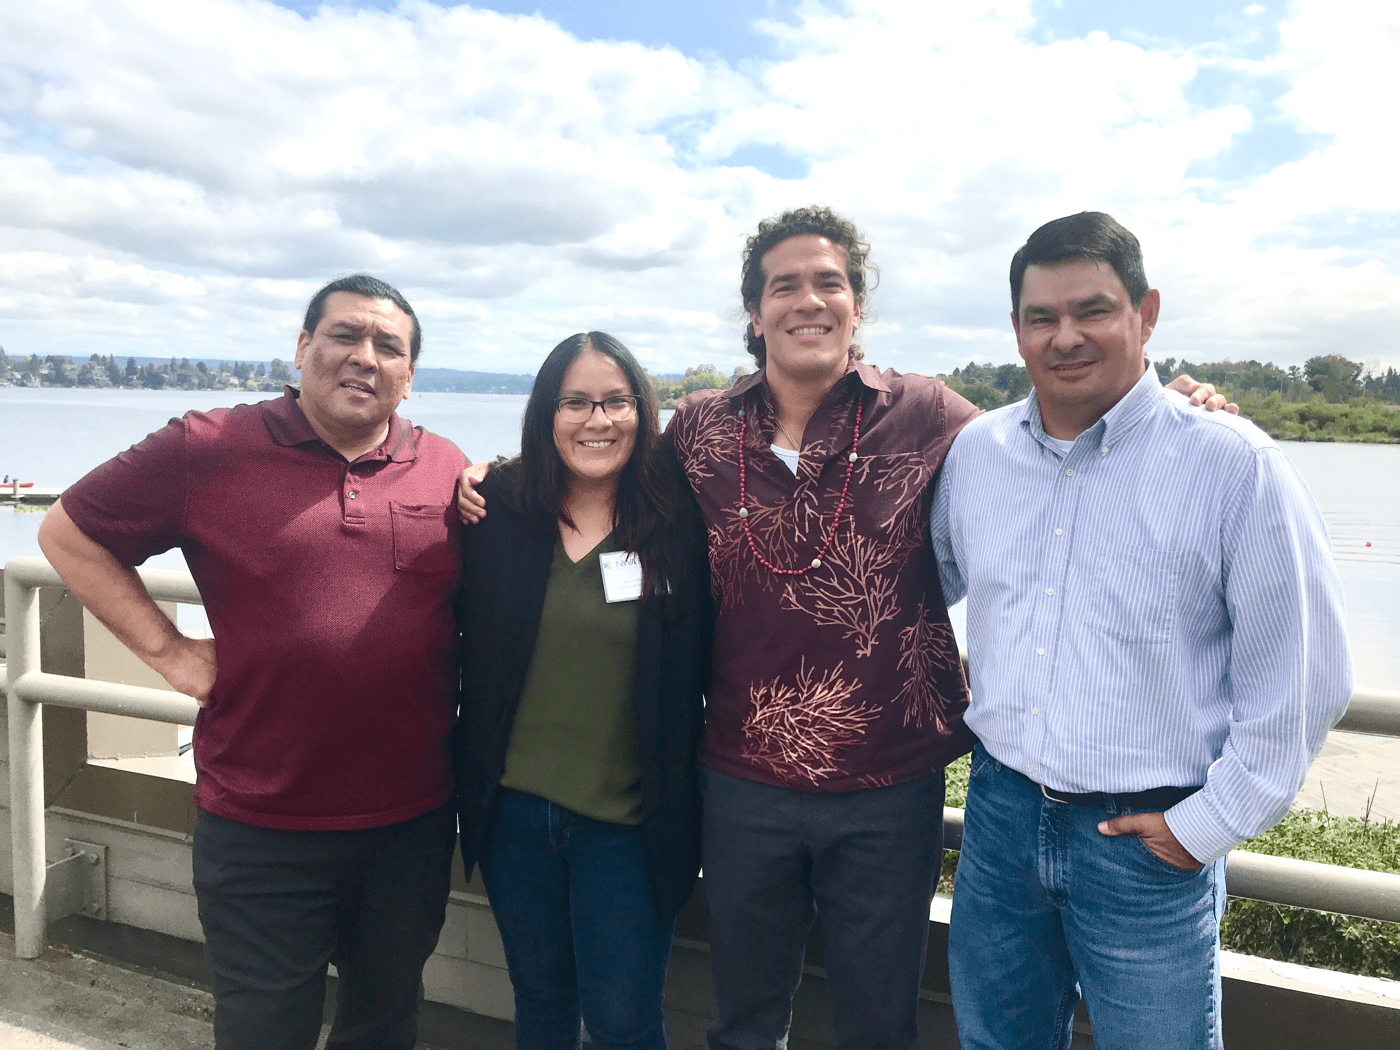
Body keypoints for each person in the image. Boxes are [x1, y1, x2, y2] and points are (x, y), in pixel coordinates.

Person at [456, 207, 1229, 1048]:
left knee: (876, 1021)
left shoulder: (932, 416)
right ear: (754, 313)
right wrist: (494, 471)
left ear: (859, 306)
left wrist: (1166, 405)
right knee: (745, 1020)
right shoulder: (703, 428)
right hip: (741, 780)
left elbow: (1049, 436)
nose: (808, 301)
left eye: (830, 282)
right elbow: (598, 461)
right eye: (783, 285)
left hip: (888, 788)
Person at [932, 211, 1354, 1050]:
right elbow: (921, 593)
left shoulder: (1237, 466)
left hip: (1147, 846)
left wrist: (1204, 826)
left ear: (1146, 313)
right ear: (1016, 329)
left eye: (1092, 309)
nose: (1065, 337)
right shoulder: (976, 455)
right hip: (1000, 820)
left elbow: (1306, 681)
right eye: (1041, 317)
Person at [38, 274, 471, 1050]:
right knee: (263, 1030)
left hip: (409, 823)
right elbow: (67, 535)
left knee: (386, 1022)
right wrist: (169, 651)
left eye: (389, 346)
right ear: (303, 348)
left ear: (411, 374)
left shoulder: (445, 468)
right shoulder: (209, 447)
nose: (364, 357)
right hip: (263, 824)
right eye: (343, 335)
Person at [454, 332, 711, 1050]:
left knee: (625, 1020)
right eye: (576, 402)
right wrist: (470, 475)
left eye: (616, 401)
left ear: (642, 411)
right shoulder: (497, 508)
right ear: (546, 413)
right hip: (514, 817)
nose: (597, 421)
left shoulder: (679, 522)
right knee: (540, 999)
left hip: (628, 825)